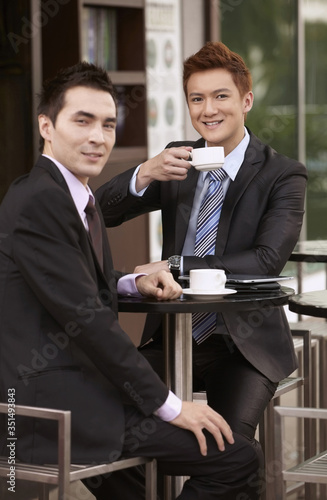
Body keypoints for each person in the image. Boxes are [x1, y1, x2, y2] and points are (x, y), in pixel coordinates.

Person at [0, 61, 260, 500]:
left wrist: (128, 283)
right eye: (81, 121)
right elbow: (90, 321)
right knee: (236, 456)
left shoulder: (69, 193)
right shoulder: (40, 200)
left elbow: (69, 283)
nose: (97, 138)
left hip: (82, 392)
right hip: (53, 407)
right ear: (46, 125)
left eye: (107, 124)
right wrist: (173, 406)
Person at [96, 42, 308, 465]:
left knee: (225, 450)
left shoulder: (282, 174)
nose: (208, 109)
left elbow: (265, 260)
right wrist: (144, 173)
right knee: (97, 432)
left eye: (220, 96)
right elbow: (98, 212)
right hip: (171, 334)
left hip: (242, 343)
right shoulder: (180, 159)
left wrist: (176, 265)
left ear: (246, 100)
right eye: (197, 98)